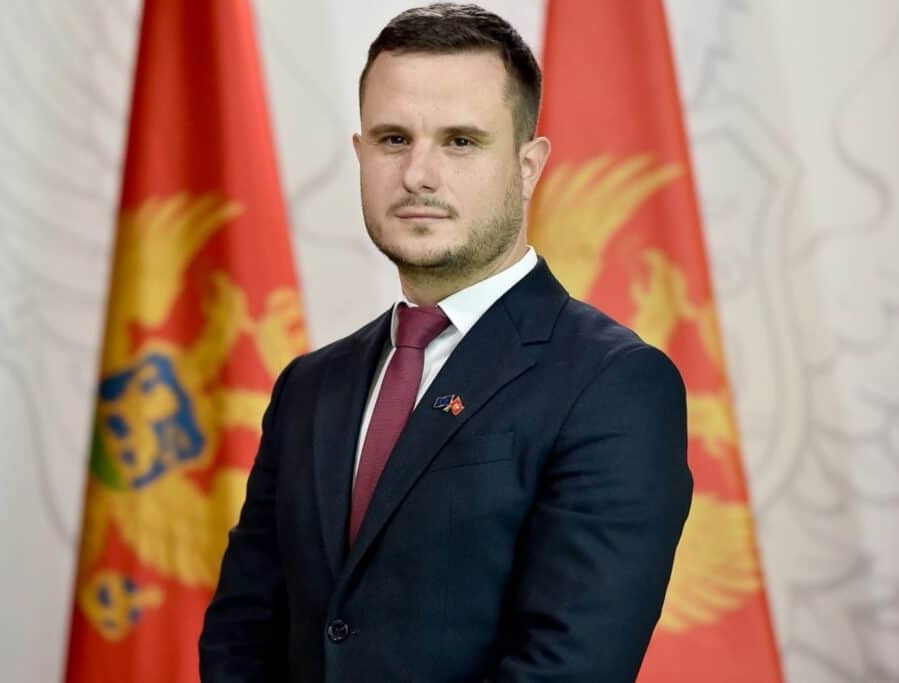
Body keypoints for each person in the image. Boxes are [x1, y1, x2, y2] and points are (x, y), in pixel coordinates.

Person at [200, 4, 692, 681]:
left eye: (460, 141)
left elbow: (567, 667)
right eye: (393, 139)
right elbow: (239, 639)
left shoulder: (614, 384)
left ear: (528, 166)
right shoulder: (309, 387)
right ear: (360, 154)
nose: (418, 175)